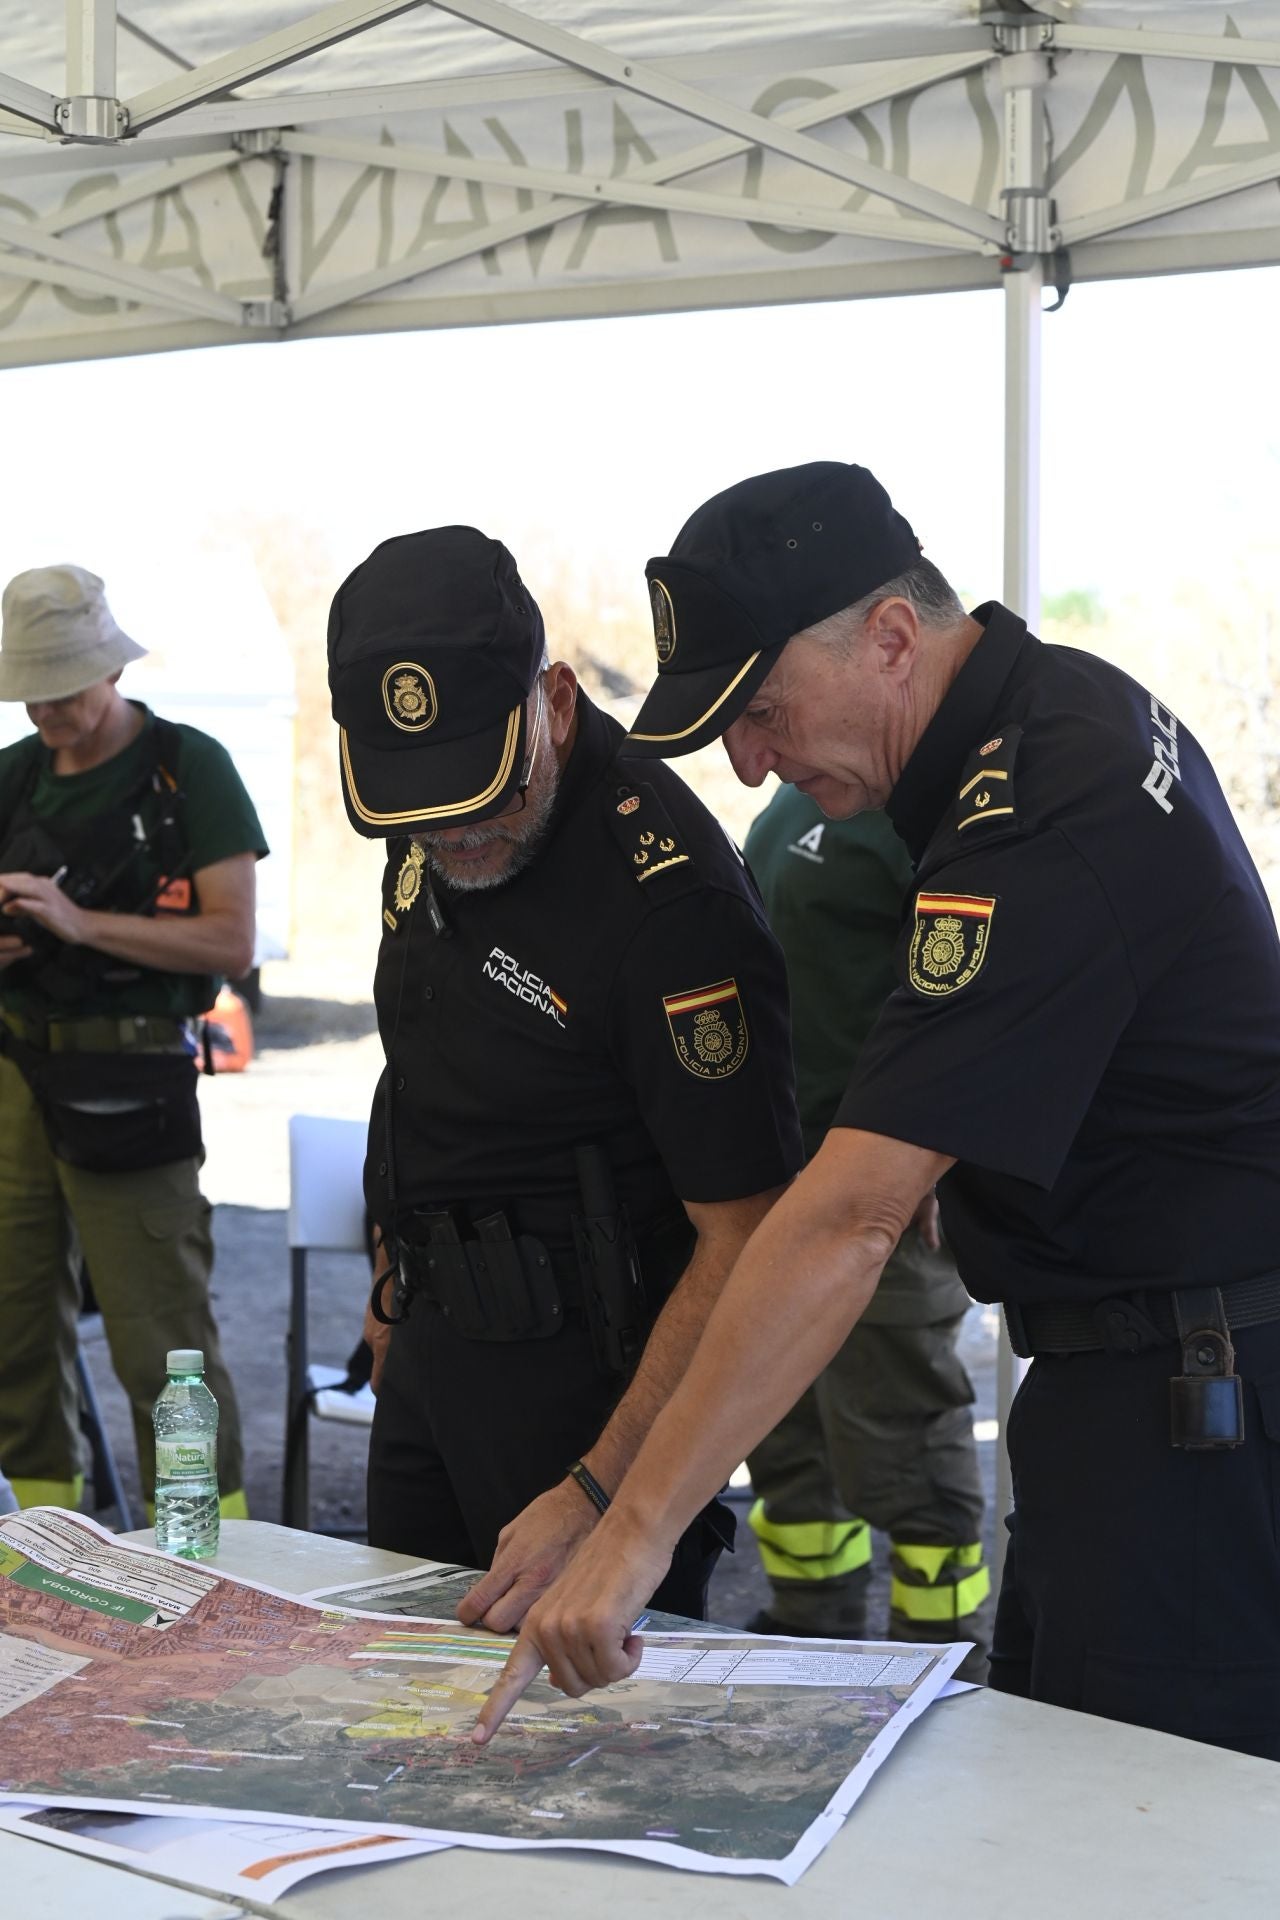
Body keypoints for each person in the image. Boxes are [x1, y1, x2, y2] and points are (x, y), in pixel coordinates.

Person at [475, 460, 1280, 1763]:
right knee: (1060, 1776)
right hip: (1147, 1375)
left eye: (763, 709)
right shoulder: (1049, 720)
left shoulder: (1037, 801)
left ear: (892, 638)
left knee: (1134, 1830)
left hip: (1193, 1399)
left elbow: (851, 1213)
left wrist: (631, 1530)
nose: (749, 765)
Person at [328, 526, 803, 1626]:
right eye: (418, 805)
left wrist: (601, 1491)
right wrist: (393, 1280)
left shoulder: (668, 905)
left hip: (590, 1398)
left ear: (552, 696)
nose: (450, 834)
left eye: (477, 792)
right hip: (431, 1346)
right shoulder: (436, 818)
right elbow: (418, 1061)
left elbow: (744, 1238)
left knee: (580, 1762)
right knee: (399, 1712)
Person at [0, 565, 263, 1516]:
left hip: (132, 1080)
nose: (47, 710)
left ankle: (210, 1559)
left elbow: (231, 941)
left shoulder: (187, 767)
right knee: (14, 1333)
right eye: (31, 689)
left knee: (159, 1342)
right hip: (19, 1071)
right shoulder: (13, 777)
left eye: (64, 688)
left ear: (110, 670)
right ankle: (31, 1554)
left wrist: (77, 922)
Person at [742, 788, 989, 1660]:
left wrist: (934, 1147)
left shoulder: (929, 818)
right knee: (785, 1429)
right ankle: (812, 1626)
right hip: (779, 1182)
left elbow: (970, 1003)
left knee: (901, 1435)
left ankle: (940, 1646)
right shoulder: (799, 790)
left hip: (882, 1194)